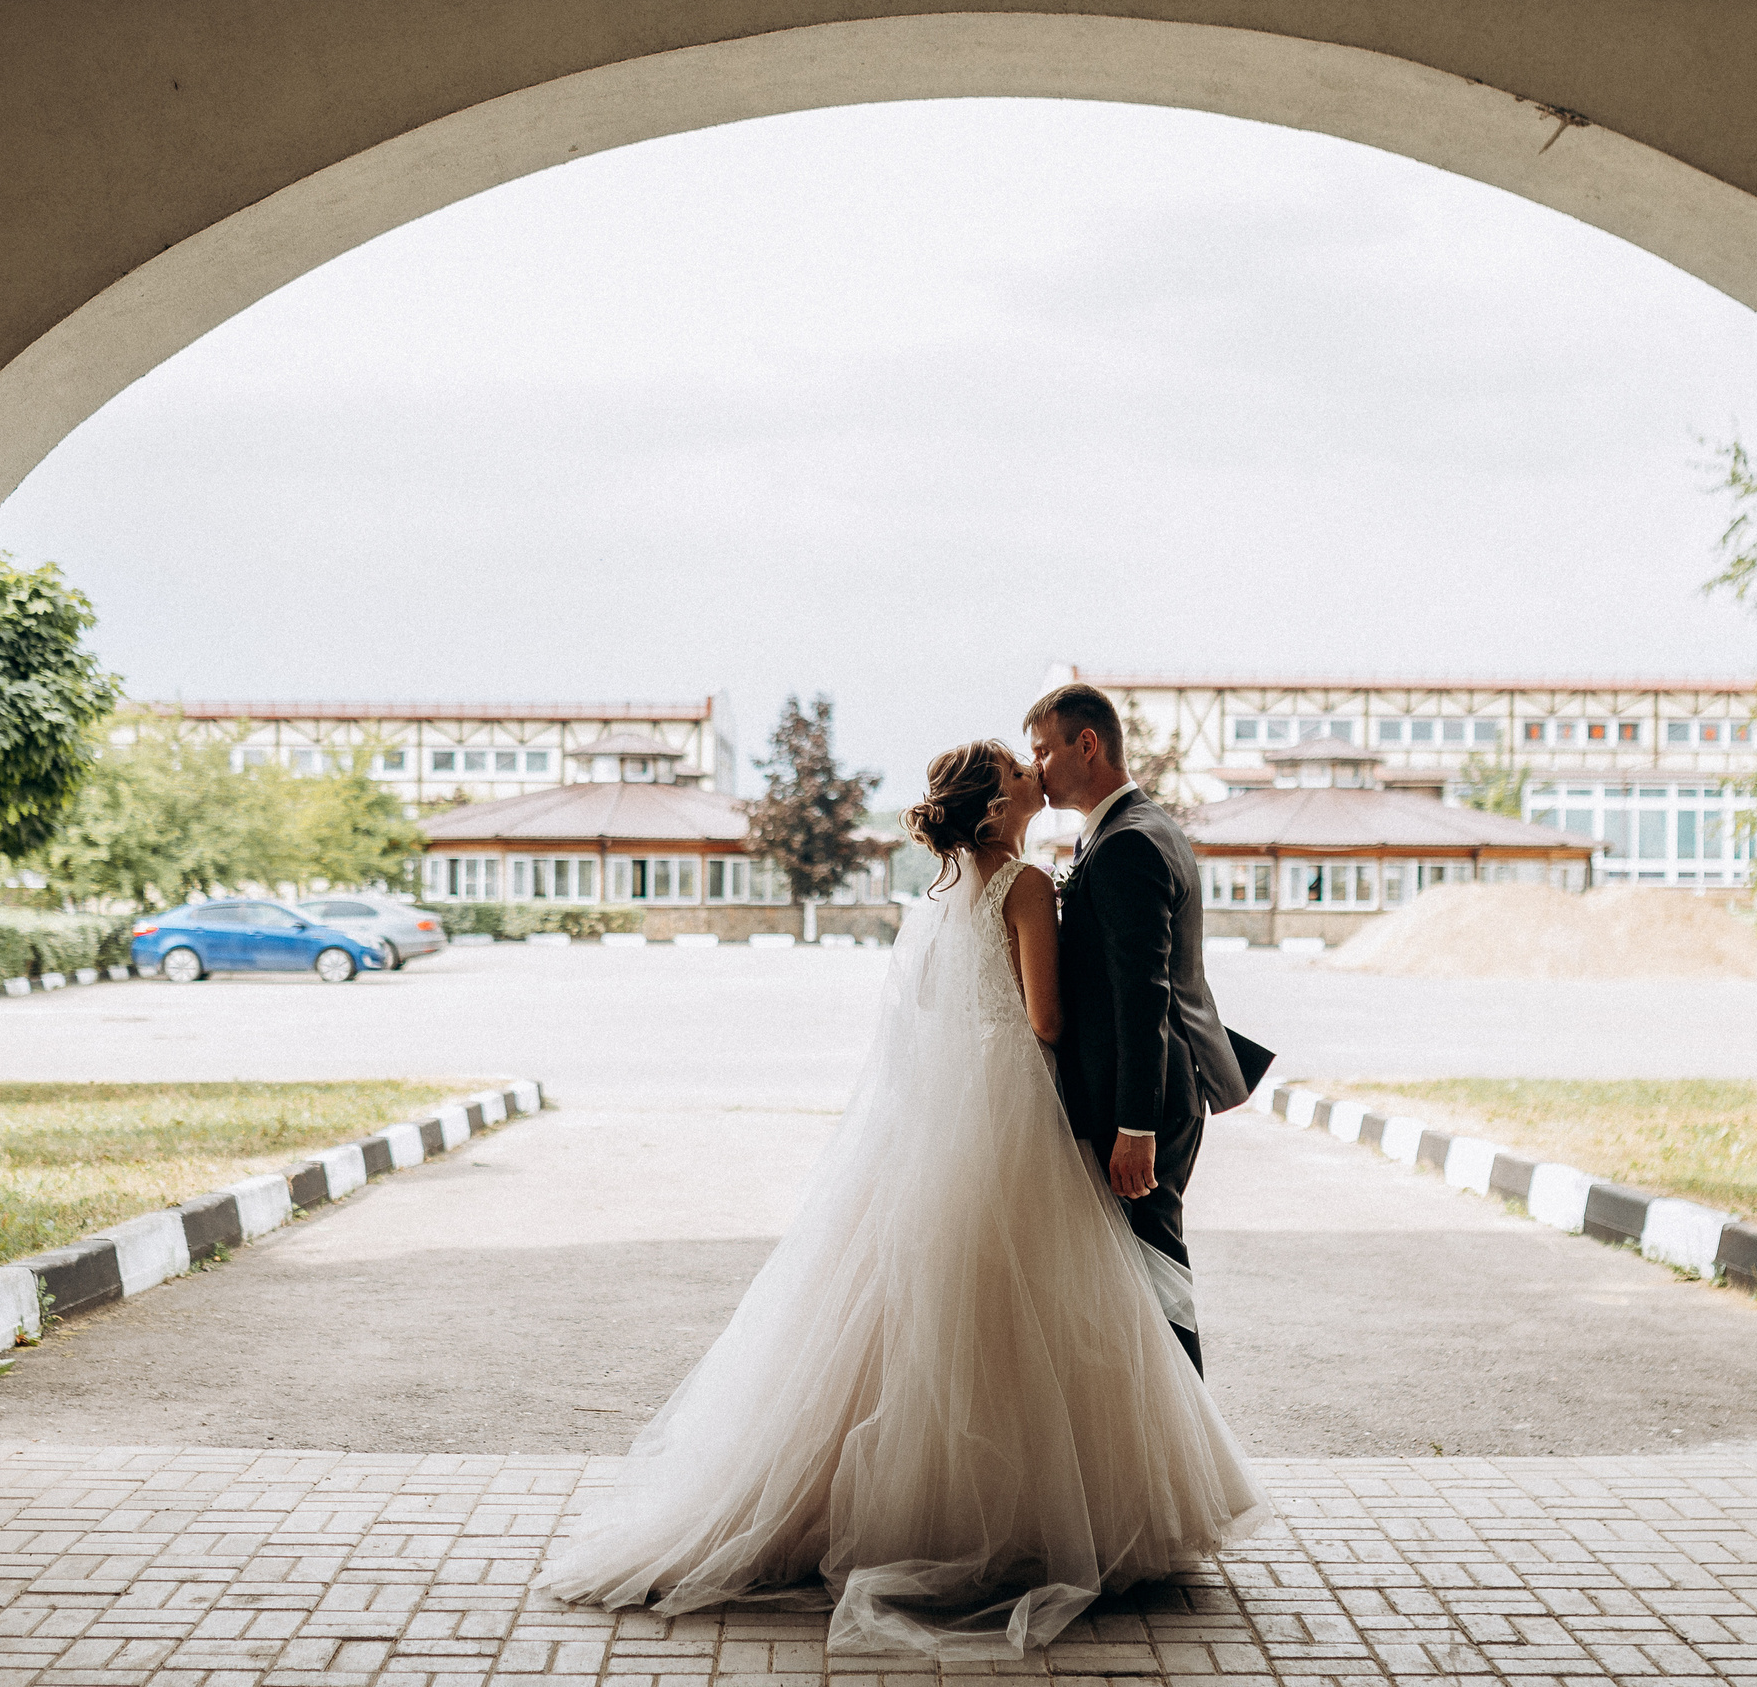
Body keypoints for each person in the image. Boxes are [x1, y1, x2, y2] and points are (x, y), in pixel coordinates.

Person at [537, 738, 1268, 1659]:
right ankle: (1027, 1519)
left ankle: (906, 1509)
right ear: (996, 806)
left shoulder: (939, 892)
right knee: (1034, 1300)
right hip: (1014, 1103)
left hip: (945, 1107)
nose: (1035, 776)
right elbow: (1045, 1018)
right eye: (1019, 771)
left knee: (928, 1302)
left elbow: (927, 1009)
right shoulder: (1024, 884)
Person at [1025, 683, 1271, 1375]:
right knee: (1138, 1269)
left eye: (1042, 751)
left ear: (1087, 744)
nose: (1036, 767)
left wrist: (1136, 1125)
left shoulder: (1128, 842)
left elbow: (1144, 994)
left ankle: (1187, 1426)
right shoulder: (1129, 828)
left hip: (1147, 1096)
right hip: (1153, 1084)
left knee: (1157, 1269)